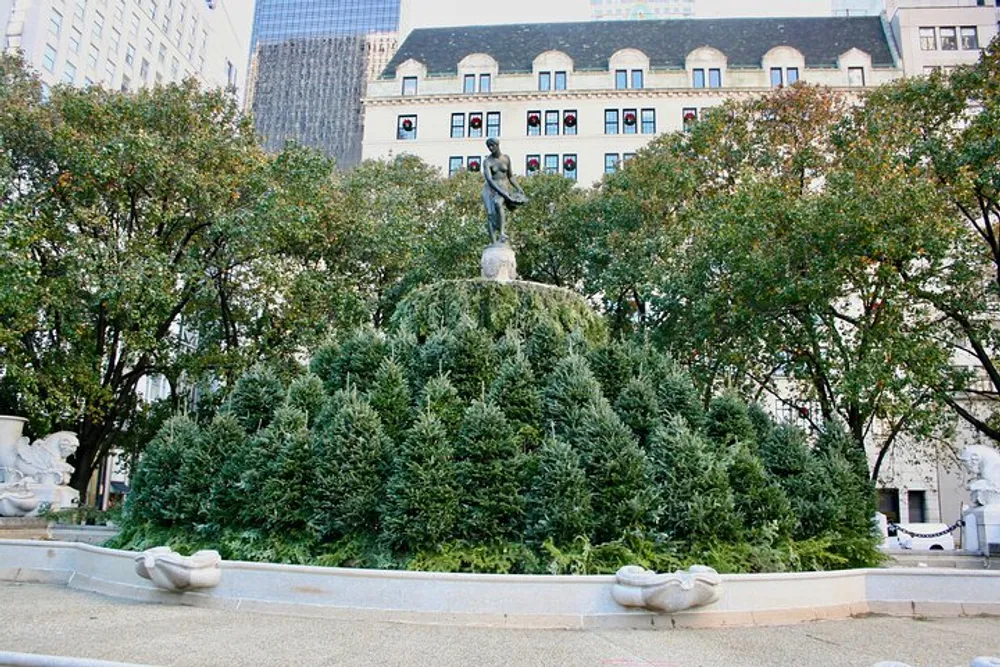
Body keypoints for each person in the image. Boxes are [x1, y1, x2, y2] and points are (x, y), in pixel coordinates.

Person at [482, 138, 527, 244]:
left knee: (498, 203)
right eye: (489, 146)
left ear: (497, 145)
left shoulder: (506, 158)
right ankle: (494, 242)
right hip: (490, 189)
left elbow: (510, 176)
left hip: (503, 186)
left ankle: (502, 233)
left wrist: (519, 189)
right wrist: (505, 194)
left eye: (492, 145)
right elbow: (489, 179)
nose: (491, 148)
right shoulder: (487, 161)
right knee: (490, 214)